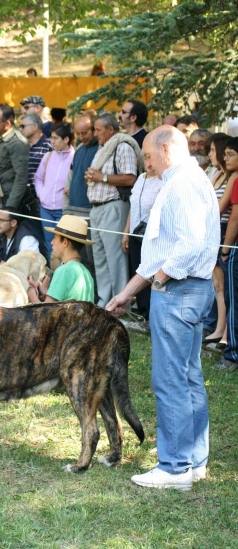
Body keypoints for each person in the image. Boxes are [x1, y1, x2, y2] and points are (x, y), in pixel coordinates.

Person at [106, 125, 219, 491]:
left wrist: (160, 281)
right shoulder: (186, 178)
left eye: (149, 155)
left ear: (167, 148)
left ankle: (174, 468)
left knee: (170, 380)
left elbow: (189, 244)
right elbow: (159, 249)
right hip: (186, 289)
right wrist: (127, 292)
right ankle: (194, 461)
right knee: (187, 377)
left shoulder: (183, 183)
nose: (146, 162)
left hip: (179, 290)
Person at [85, 113, 142, 307]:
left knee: (115, 259)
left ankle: (120, 304)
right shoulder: (102, 148)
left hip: (114, 207)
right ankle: (104, 302)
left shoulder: (123, 146)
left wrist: (102, 178)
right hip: (97, 208)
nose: (95, 134)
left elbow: (130, 178)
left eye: (98, 130)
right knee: (100, 258)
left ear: (111, 130)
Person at [121, 158, 162, 326]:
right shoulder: (140, 178)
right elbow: (133, 206)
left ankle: (152, 315)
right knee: (136, 269)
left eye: (151, 158)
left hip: (150, 234)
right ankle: (143, 313)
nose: (149, 163)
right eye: (146, 159)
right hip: (134, 233)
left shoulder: (162, 180)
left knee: (149, 272)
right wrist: (126, 232)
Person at [201, 133, 233, 347]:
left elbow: (219, 207)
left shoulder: (232, 177)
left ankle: (227, 332)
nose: (210, 154)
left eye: (213, 150)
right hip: (212, 228)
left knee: (226, 285)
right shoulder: (218, 175)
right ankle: (220, 327)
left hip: (222, 229)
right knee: (218, 285)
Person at [0, 103, 30, 242]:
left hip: (6, 201)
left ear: (7, 124)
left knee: (5, 243)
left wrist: (9, 208)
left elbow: (21, 178)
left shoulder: (18, 143)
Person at [63, 115, 99, 288]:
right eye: (79, 133)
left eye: (85, 133)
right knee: (78, 257)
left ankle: (94, 294)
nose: (82, 137)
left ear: (94, 130)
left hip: (89, 210)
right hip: (74, 208)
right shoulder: (79, 149)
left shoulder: (100, 149)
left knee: (92, 257)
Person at [27, 215, 94, 303]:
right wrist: (45, 292)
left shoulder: (64, 271)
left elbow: (46, 314)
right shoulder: (86, 273)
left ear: (65, 242)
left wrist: (31, 292)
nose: (52, 242)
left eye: (55, 238)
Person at [215, 137, 238, 371]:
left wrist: (225, 248)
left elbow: (234, 218)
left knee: (233, 300)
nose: (225, 158)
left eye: (230, 154)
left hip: (235, 248)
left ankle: (232, 355)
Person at [34, 122, 74, 255]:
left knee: (63, 247)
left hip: (63, 210)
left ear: (66, 139)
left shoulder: (75, 157)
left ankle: (64, 273)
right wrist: (42, 194)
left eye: (55, 138)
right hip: (46, 209)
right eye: (51, 137)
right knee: (49, 245)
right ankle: (53, 274)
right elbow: (38, 178)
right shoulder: (48, 156)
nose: (52, 141)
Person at [0, 209, 40, 279]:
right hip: (6, 273)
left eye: (1, 220)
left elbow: (31, 266)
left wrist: (5, 265)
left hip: (22, 277)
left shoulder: (27, 239)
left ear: (13, 222)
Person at [19, 112, 52, 195]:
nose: (20, 129)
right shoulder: (21, 146)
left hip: (42, 198)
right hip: (22, 198)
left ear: (34, 127)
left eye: (23, 126)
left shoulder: (49, 146)